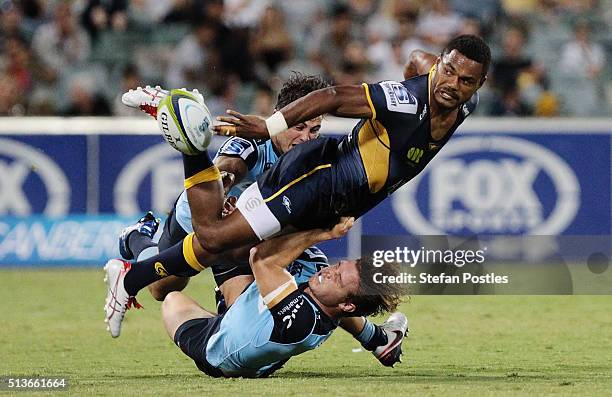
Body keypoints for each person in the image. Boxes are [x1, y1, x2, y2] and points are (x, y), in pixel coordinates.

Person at [109, 34, 489, 337]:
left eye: (466, 81)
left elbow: (418, 59)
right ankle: (181, 119)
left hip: (330, 201)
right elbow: (334, 96)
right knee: (212, 238)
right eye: (448, 71)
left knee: (226, 254)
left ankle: (133, 274)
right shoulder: (405, 102)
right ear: (442, 63)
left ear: (479, 85)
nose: (452, 85)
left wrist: (421, 76)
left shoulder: (454, 100)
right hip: (317, 183)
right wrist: (268, 125)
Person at [116, 74, 408, 366]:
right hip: (207, 221)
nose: (306, 137)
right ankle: (138, 237)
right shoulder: (252, 144)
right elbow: (227, 168)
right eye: (299, 126)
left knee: (322, 282)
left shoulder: (313, 158)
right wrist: (224, 191)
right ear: (280, 117)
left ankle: (379, 340)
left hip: (249, 238)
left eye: (315, 129)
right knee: (162, 288)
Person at [156, 217, 405, 378]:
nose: (328, 272)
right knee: (308, 269)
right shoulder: (330, 295)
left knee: (169, 295)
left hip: (216, 351)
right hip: (259, 336)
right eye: (338, 266)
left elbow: (259, 258)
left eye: (337, 278)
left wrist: (324, 233)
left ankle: (139, 241)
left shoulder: (303, 323)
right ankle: (378, 339)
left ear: (348, 305)